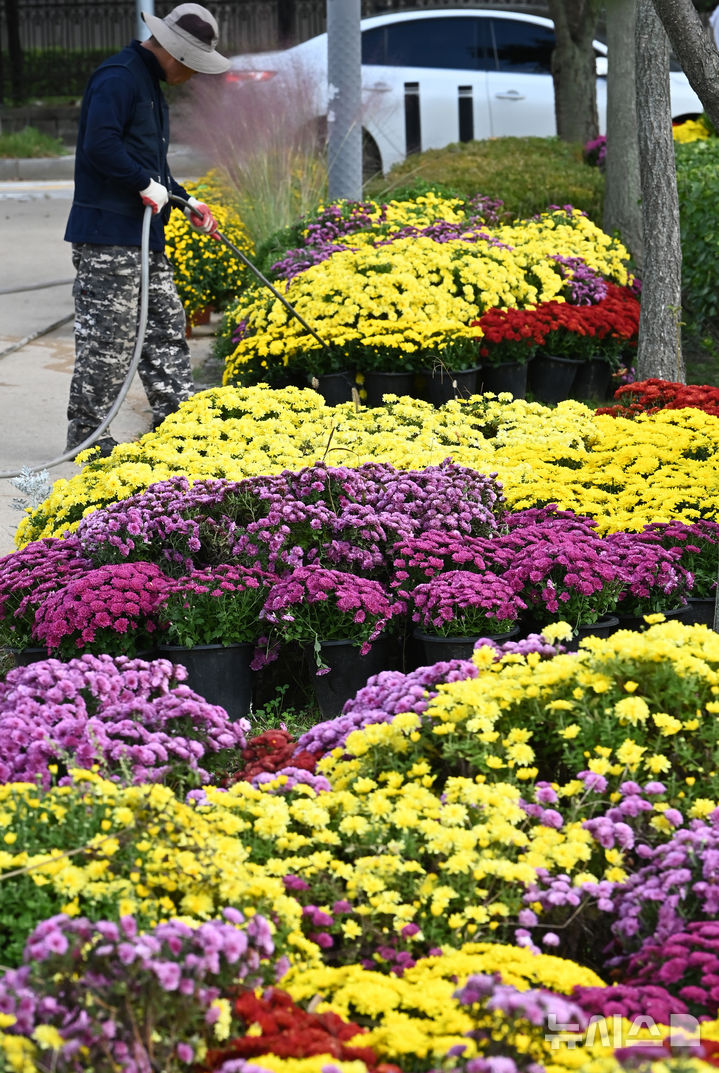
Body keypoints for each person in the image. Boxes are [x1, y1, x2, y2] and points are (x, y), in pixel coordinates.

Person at [64, 3, 230, 457]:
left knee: (163, 325)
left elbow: (148, 162)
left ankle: (178, 421)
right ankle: (88, 438)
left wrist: (184, 197)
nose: (194, 77)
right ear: (177, 55)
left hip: (142, 237)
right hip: (108, 238)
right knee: (109, 342)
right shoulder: (118, 78)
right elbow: (100, 144)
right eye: (193, 67)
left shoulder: (148, 83)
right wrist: (142, 185)